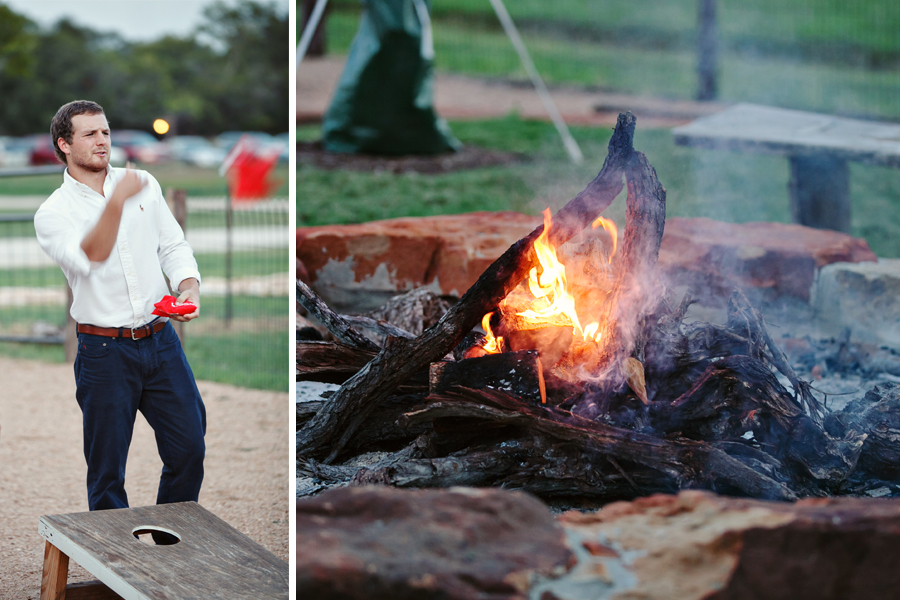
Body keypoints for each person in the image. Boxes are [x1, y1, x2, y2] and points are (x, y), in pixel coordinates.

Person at [34, 100, 206, 512]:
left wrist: (189, 285)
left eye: (106, 132)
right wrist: (116, 202)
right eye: (90, 134)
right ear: (64, 144)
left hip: (161, 341)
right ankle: (117, 570)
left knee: (189, 450)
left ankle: (169, 547)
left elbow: (173, 244)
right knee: (107, 472)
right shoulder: (53, 213)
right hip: (103, 352)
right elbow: (90, 255)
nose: (102, 141)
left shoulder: (143, 182)